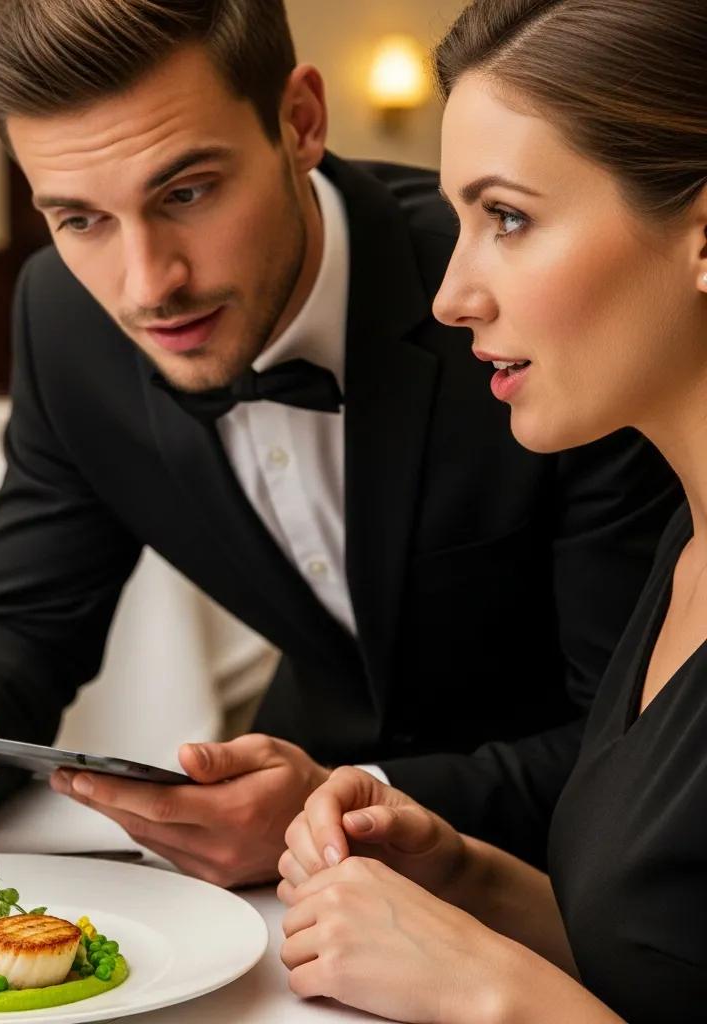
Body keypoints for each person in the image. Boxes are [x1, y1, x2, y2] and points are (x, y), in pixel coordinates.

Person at [0, 0, 677, 887]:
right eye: (79, 219)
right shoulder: (66, 319)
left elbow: (639, 737)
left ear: (300, 121)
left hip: (576, 878)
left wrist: (341, 807)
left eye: (186, 192)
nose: (149, 287)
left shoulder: (534, 310)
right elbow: (29, 610)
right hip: (286, 885)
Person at [278, 1, 707, 1021]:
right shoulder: (685, 549)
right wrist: (467, 879)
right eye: (458, 219)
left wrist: (485, 992)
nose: (450, 295)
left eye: (506, 217)